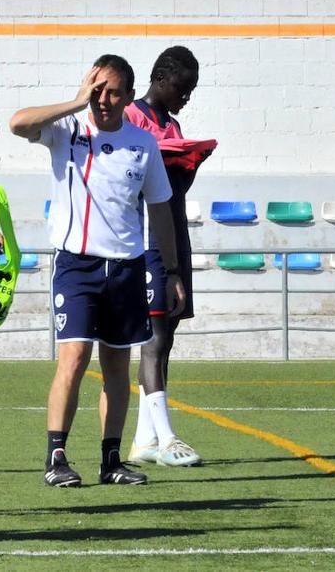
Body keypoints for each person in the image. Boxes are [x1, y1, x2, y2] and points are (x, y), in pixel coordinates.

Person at [10, 55, 186, 487]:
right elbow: (17, 123)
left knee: (116, 367)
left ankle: (111, 461)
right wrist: (74, 102)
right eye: (97, 88)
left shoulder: (141, 144)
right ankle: (56, 457)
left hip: (127, 268)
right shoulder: (67, 130)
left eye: (112, 92)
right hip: (76, 265)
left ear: (128, 97)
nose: (102, 99)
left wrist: (173, 270)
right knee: (72, 357)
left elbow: (160, 209)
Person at [124, 46, 215, 467]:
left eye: (192, 91)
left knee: (168, 338)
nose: (186, 97)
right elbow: (130, 181)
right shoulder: (131, 117)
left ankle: (144, 440)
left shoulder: (173, 124)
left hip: (174, 237)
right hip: (145, 241)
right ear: (160, 78)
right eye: (182, 88)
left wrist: (189, 164)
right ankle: (166, 438)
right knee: (154, 338)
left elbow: (172, 189)